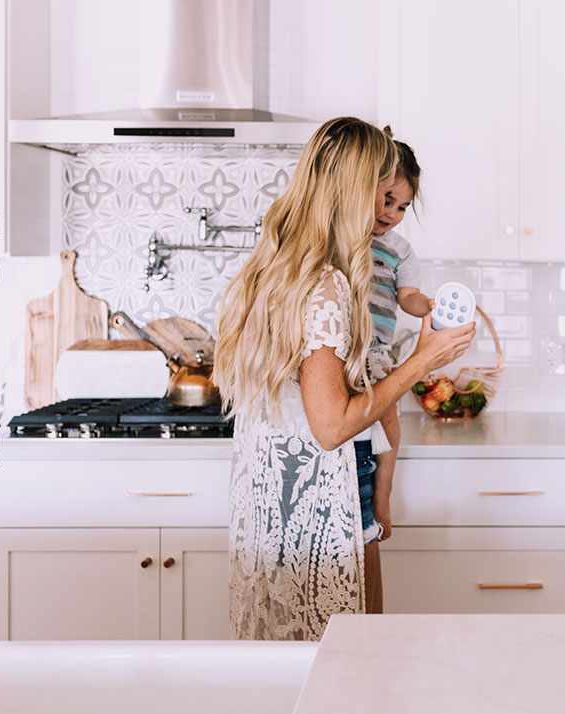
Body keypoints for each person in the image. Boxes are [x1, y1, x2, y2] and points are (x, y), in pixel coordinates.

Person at [213, 117, 475, 641]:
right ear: (355, 190)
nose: (387, 211)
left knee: (296, 664)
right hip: (328, 487)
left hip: (280, 497)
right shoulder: (329, 285)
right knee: (356, 661)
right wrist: (424, 359)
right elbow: (332, 427)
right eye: (381, 193)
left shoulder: (276, 267)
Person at [355, 131, 429, 613]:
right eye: (387, 200)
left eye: (402, 207)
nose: (391, 214)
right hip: (347, 352)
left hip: (377, 354)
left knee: (390, 426)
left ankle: (382, 502)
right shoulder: (346, 239)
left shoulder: (399, 251)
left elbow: (407, 297)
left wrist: (427, 308)